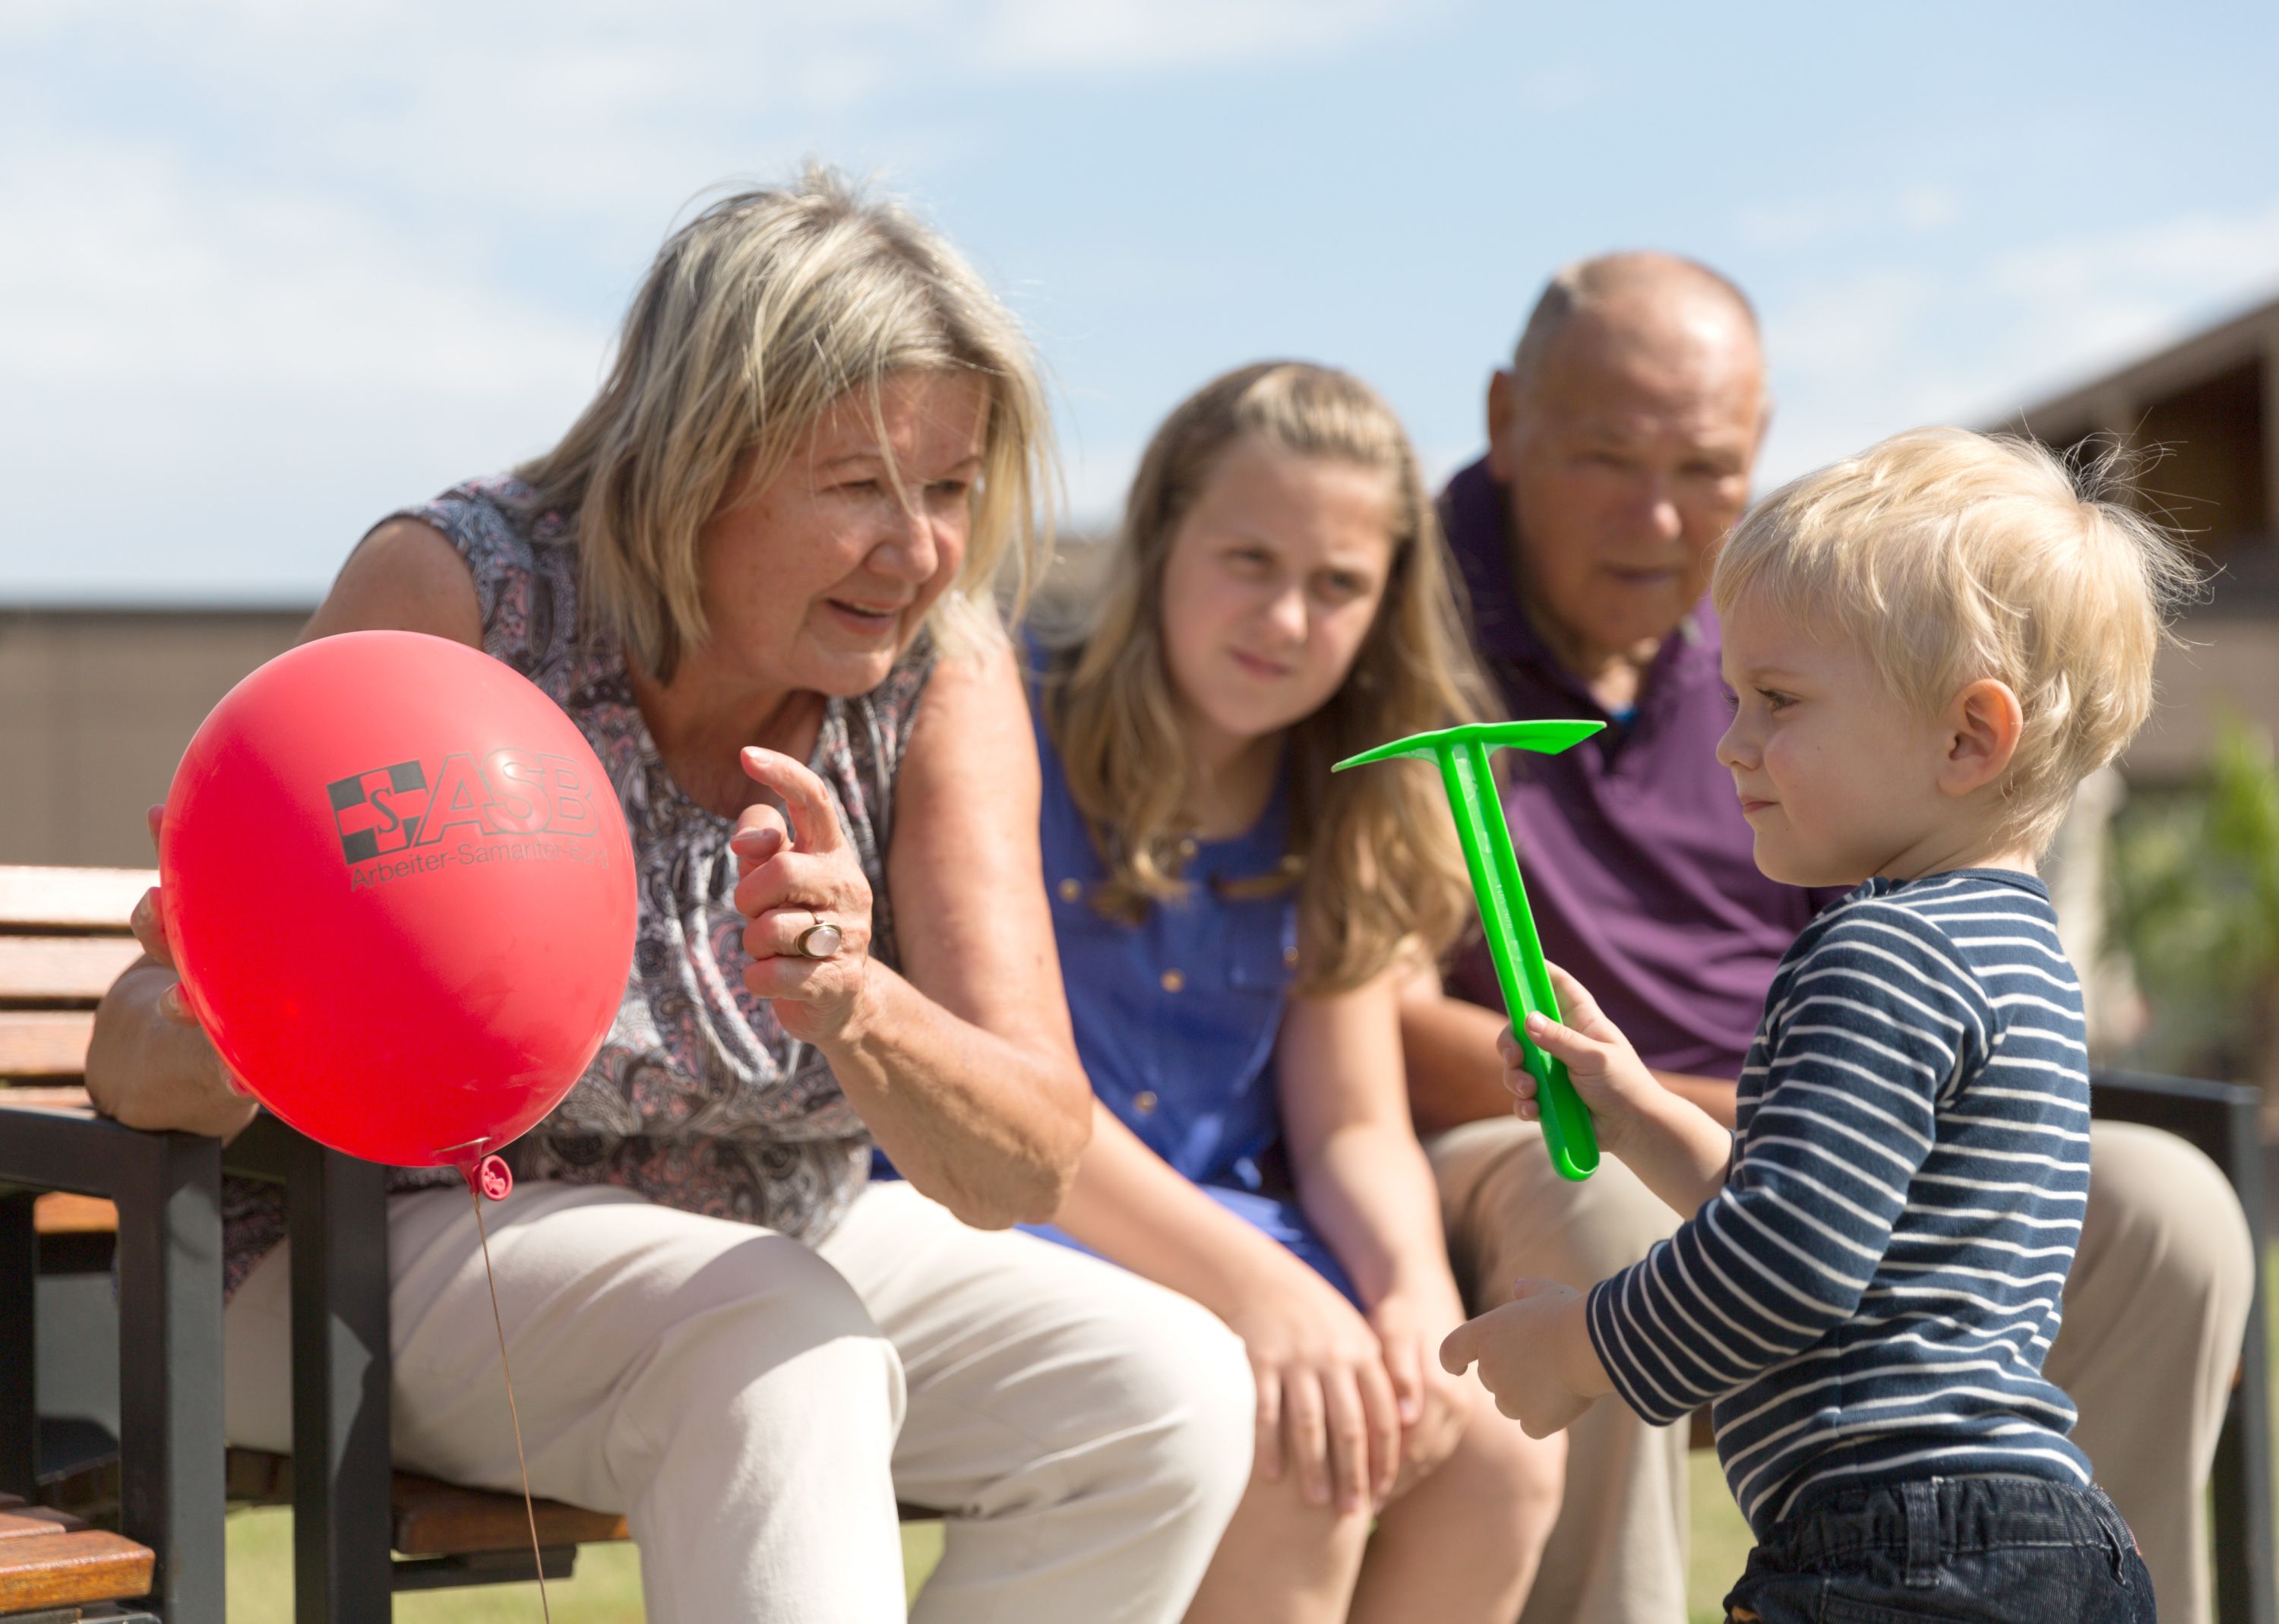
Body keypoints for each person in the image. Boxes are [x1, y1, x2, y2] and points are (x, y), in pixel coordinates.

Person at [84, 169, 1257, 1624]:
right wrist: (220, 1013)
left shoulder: (941, 673)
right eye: (857, 487)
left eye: (949, 490)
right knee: (775, 1335)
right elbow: (154, 1050)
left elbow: (1020, 1162)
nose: (921, 552)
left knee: (1166, 1393)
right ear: (694, 462)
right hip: (374, 1244)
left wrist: (856, 1002)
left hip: (777, 1244)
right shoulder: (465, 592)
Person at [1402, 252, 2255, 1623]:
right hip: (2034, 1538)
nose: (1730, 742)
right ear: (1510, 420)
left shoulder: (1875, 953)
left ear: (1969, 737)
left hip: (1889, 1549)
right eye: (1738, 697)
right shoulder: (2008, 937)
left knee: (2170, 1201)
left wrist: (1586, 1351)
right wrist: (1630, 1113)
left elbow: (1792, 1253)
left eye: (1778, 704)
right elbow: (1807, 1218)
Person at [1024, 362, 1563, 1622]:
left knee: (1494, 1435)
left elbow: (1352, 1125)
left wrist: (1414, 1291)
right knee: (1306, 1442)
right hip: (1034, 1216)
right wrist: (1269, 1298)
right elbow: (1025, 1113)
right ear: (1160, 540)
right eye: (1248, 560)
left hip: (1244, 1224)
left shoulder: (1349, 789)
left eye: (1337, 586)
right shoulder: (1016, 720)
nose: (1285, 618)